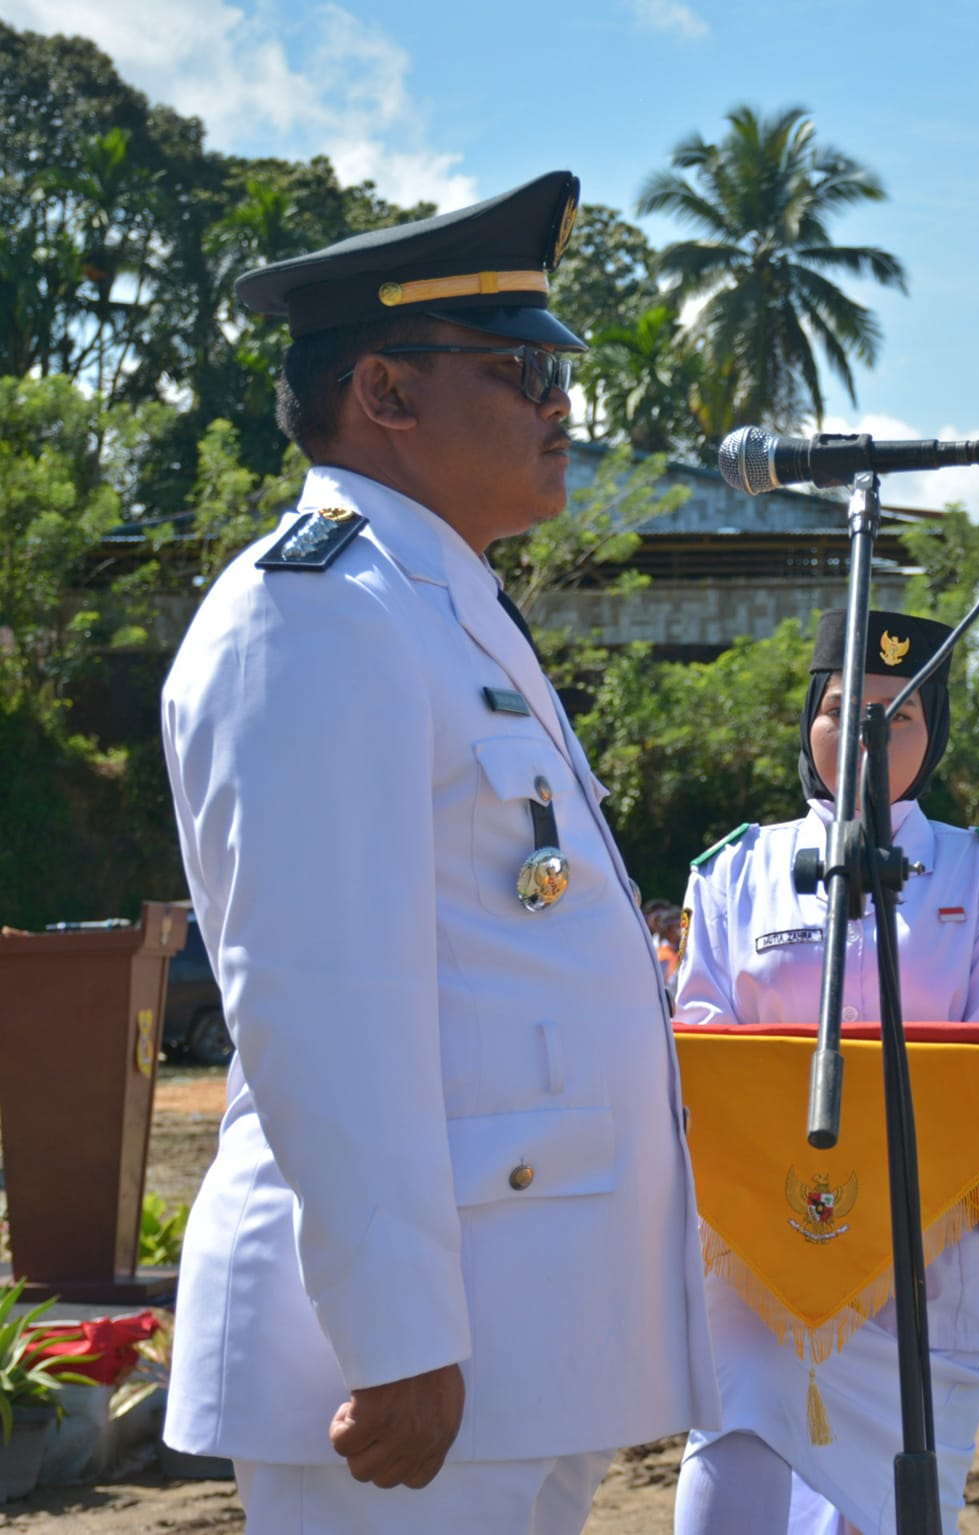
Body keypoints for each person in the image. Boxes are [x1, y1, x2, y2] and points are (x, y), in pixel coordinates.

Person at [156, 173, 721, 1533]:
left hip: (515, 1332)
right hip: (412, 1356)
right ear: (386, 393)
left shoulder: (438, 600)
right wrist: (396, 1328)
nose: (561, 403)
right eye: (521, 367)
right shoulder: (314, 615)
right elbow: (318, 993)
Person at [671, 610, 979, 1535]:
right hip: (760, 1252)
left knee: (885, 1512)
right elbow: (699, 1054)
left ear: (936, 733)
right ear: (810, 721)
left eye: (900, 717)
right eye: (845, 710)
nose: (869, 735)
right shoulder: (736, 871)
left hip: (929, 1253)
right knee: (732, 1487)